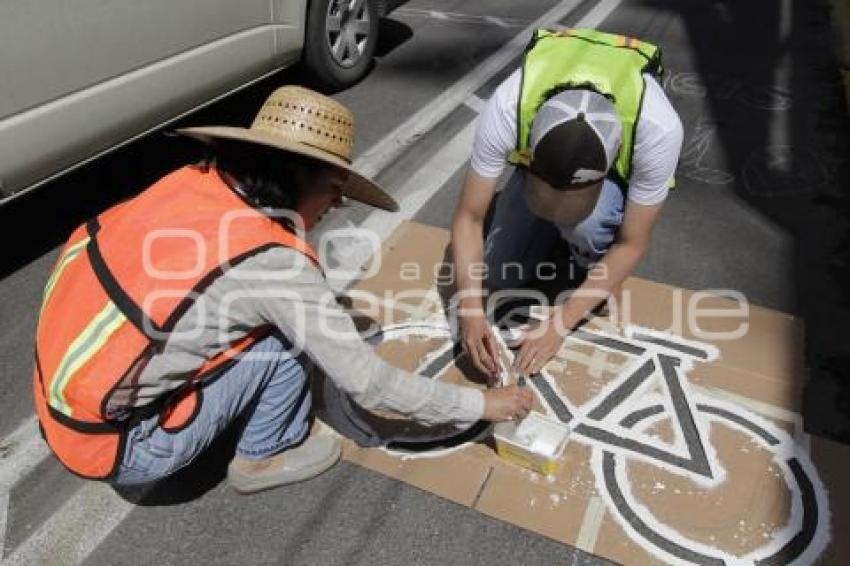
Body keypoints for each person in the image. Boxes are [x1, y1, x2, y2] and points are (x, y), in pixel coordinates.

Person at [33, 86, 533, 494]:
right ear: (295, 174)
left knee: (280, 319)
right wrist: (484, 406)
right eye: (335, 190)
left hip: (61, 400)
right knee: (289, 341)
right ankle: (262, 457)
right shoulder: (276, 262)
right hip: (123, 446)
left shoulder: (192, 182)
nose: (337, 206)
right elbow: (369, 384)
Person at [451, 28, 684, 381]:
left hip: (605, 185)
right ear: (529, 149)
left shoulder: (658, 129)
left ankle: (586, 250)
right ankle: (554, 229)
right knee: (497, 274)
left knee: (590, 227)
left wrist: (560, 324)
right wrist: (470, 311)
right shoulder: (508, 104)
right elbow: (469, 218)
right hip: (543, 157)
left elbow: (633, 242)